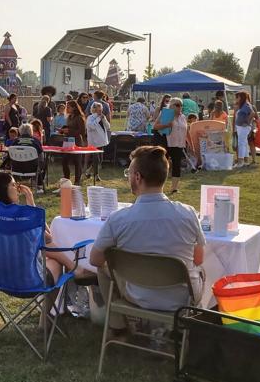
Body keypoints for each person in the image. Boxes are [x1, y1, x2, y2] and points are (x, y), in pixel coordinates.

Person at [90, 146, 205, 334]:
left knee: (102, 269)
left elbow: (95, 260)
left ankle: (117, 327)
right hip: (182, 299)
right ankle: (188, 329)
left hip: (138, 294)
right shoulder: (188, 213)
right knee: (200, 271)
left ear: (137, 177)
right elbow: (198, 259)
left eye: (128, 173)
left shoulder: (119, 219)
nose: (128, 177)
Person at [0, 171, 90, 325]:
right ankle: (45, 319)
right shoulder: (24, 218)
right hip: (31, 282)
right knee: (56, 262)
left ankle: (75, 270)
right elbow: (49, 239)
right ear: (2, 191)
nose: (17, 189)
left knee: (46, 252)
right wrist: (31, 203)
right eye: (13, 185)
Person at [153, 97, 188, 193]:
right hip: (167, 143)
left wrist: (190, 144)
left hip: (178, 144)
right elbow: (155, 126)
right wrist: (167, 125)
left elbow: (186, 131)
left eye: (181, 105)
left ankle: (174, 188)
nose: (180, 107)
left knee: (177, 165)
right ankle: (159, 188)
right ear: (171, 106)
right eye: (177, 105)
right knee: (163, 166)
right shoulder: (165, 114)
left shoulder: (183, 117)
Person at [61, 100, 87, 185]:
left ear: (74, 108)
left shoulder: (79, 117)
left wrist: (69, 131)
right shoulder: (69, 117)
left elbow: (82, 131)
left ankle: (77, 181)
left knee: (77, 162)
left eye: (68, 107)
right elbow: (69, 128)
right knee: (64, 161)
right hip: (68, 141)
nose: (67, 109)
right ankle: (66, 179)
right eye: (66, 107)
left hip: (77, 142)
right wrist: (63, 130)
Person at [86, 102, 111, 181]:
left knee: (100, 160)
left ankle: (88, 171)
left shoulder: (102, 117)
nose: (100, 111)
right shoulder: (90, 118)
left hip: (101, 141)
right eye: (98, 109)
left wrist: (104, 119)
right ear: (94, 109)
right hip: (94, 142)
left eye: (101, 109)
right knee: (97, 159)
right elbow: (92, 126)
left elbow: (108, 127)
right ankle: (96, 175)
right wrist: (98, 118)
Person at [233, 91, 256, 168]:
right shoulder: (243, 105)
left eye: (238, 97)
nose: (237, 98)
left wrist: (247, 121)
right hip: (241, 127)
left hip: (244, 127)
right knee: (244, 143)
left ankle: (240, 161)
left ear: (241, 97)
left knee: (241, 143)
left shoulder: (246, 105)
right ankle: (246, 161)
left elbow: (252, 113)